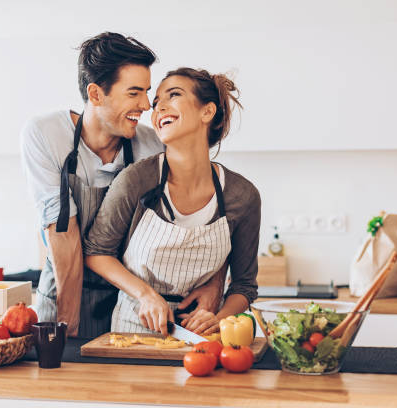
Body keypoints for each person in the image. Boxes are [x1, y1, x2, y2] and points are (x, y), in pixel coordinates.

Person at [21, 33, 226, 338]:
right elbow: (62, 232)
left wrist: (214, 282)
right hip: (64, 290)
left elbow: (206, 216)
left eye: (146, 92)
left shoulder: (152, 145)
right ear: (95, 95)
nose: (146, 105)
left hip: (129, 303)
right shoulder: (46, 134)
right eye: (134, 93)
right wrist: (67, 326)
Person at [84, 68, 260, 335]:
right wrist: (145, 294)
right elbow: (97, 253)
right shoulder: (136, 180)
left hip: (204, 337)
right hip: (132, 331)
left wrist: (220, 318)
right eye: (156, 103)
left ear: (207, 112)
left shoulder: (242, 196)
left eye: (173, 95)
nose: (157, 108)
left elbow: (244, 286)